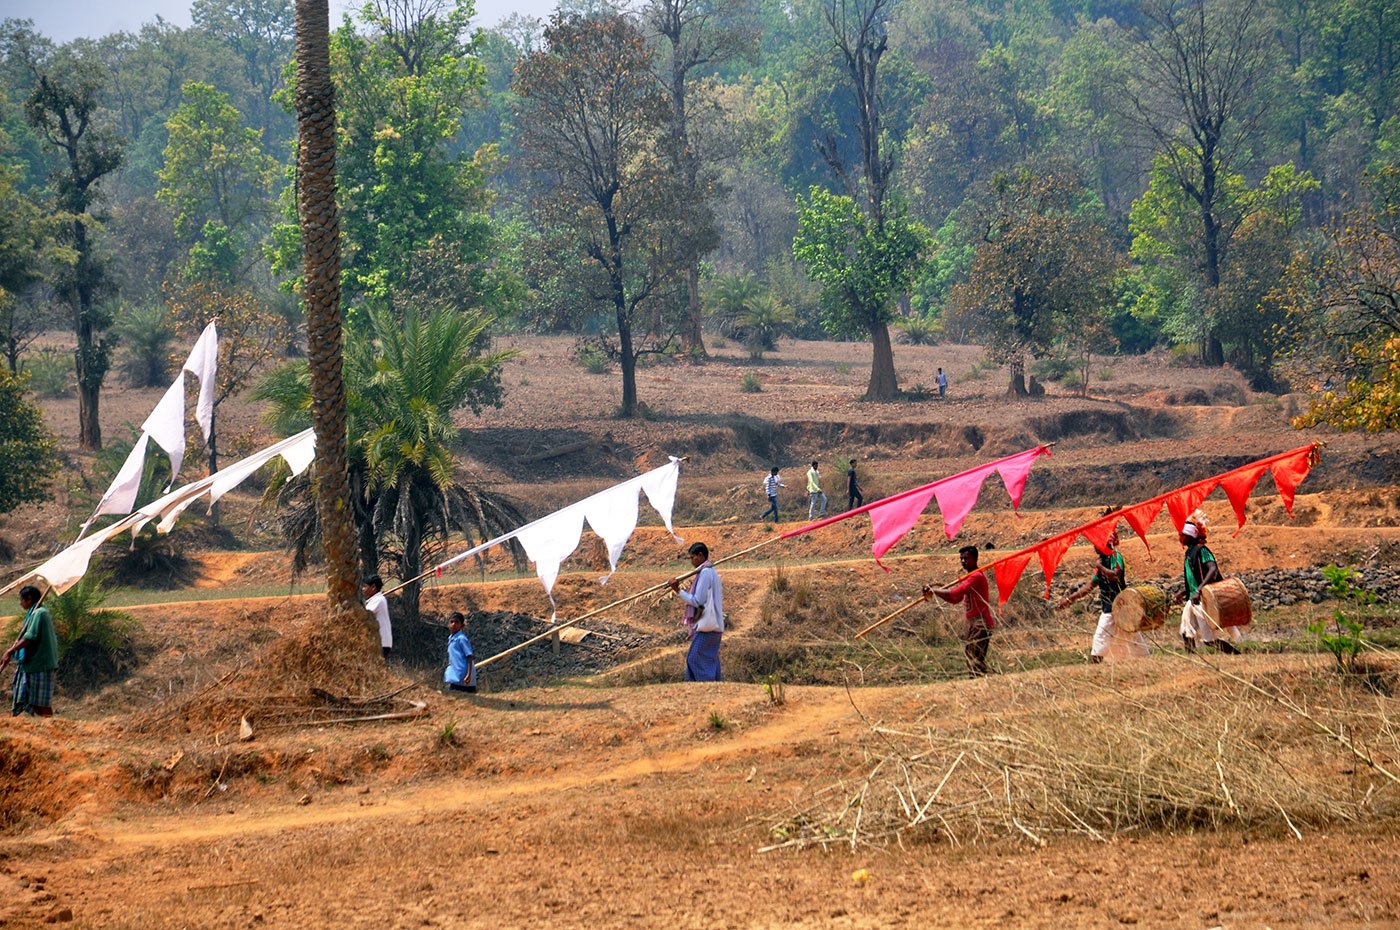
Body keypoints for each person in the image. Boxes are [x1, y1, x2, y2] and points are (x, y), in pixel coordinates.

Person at [1056, 529, 1147, 663]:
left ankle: (1096, 667)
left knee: (1104, 637)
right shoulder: (1103, 561)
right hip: (1110, 608)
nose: (1094, 547)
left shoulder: (1116, 557)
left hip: (1118, 607)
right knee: (1128, 637)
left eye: (1097, 543)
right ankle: (1142, 660)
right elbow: (1090, 586)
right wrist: (1069, 600)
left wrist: (1100, 566)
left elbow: (1116, 575)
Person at [923, 545, 996, 677]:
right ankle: (980, 680)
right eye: (961, 559)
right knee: (972, 654)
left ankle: (979, 681)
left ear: (975, 558)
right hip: (974, 623)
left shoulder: (976, 577)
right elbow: (955, 599)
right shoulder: (970, 577)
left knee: (974, 654)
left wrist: (934, 591)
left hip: (981, 622)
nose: (963, 561)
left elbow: (956, 594)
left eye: (966, 558)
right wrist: (936, 592)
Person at [1177, 515, 1240, 654]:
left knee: (1209, 641)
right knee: (1186, 631)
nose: (1180, 537)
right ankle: (1190, 659)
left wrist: (1199, 590)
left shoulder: (1202, 550)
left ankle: (1236, 654)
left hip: (1203, 599)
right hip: (1192, 598)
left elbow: (1213, 569)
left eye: (1183, 535)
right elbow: (1193, 578)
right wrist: (1184, 592)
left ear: (1190, 535)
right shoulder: (1189, 553)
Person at [670, 542, 724, 681]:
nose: (691, 561)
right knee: (710, 657)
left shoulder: (706, 573)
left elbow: (697, 601)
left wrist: (678, 590)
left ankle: (704, 686)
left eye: (692, 557)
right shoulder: (711, 571)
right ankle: (716, 684)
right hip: (715, 625)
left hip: (708, 626)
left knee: (694, 658)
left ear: (700, 555)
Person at [2, 585, 59, 717]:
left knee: (41, 703)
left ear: (29, 599)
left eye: (21, 600)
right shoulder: (35, 612)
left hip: (41, 663)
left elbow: (30, 637)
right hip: (33, 663)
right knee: (32, 701)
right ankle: (47, 724)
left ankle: (51, 724)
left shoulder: (39, 613)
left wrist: (10, 651)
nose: (20, 603)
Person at [444, 611, 476, 693]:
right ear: (448, 624)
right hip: (455, 674)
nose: (454, 624)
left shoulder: (461, 639)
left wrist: (469, 674)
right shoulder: (451, 638)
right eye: (452, 622)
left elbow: (469, 656)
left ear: (462, 625)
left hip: (463, 675)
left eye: (457, 622)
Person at [363, 575, 392, 659]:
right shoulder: (375, 600)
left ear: (373, 587)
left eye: (365, 586)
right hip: (379, 642)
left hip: (382, 643)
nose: (363, 589)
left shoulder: (379, 600)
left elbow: (365, 614)